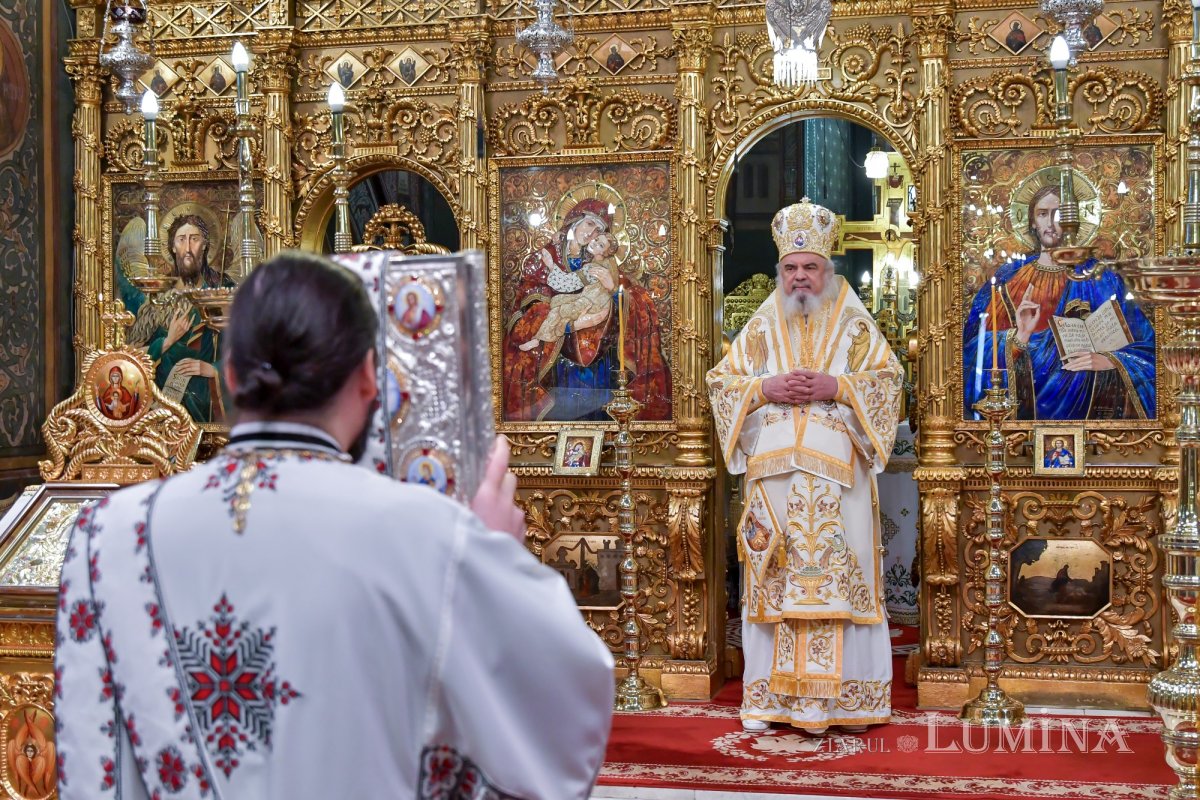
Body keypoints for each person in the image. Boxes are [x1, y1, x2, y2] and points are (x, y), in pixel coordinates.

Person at [55, 251, 615, 799]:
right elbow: (566, 710)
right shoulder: (425, 537)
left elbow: (89, 759)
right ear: (370, 378)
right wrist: (493, 555)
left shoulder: (105, 537)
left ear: (228, 376)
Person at [707, 198, 903, 734]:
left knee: (834, 583)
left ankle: (843, 704)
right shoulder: (762, 322)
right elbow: (721, 383)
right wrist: (763, 387)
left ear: (826, 269)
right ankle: (772, 700)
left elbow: (890, 383)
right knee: (774, 583)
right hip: (774, 481)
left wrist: (836, 386)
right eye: (790, 268)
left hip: (839, 485)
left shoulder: (856, 323)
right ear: (780, 272)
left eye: (809, 267)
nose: (799, 277)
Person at [962, 184, 1154, 419]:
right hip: (1025, 406)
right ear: (1033, 221)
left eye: (1061, 214)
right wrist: (1019, 337)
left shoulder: (1100, 277)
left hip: (1089, 405)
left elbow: (1148, 346)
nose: (1051, 223)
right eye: (1043, 214)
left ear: (1073, 221)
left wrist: (1110, 360)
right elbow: (973, 350)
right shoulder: (1008, 278)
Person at [503, 197, 670, 421]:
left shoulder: (599, 263)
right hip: (560, 357)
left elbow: (633, 297)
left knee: (595, 411)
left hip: (598, 352)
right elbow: (530, 301)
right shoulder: (545, 257)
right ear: (575, 221)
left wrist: (614, 292)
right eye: (590, 224)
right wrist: (572, 325)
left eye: (598, 232)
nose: (592, 234)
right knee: (566, 412)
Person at [126, 213, 235, 424]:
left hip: (208, 399)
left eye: (194, 239)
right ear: (173, 247)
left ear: (204, 245)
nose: (188, 247)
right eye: (181, 239)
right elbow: (131, 359)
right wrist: (168, 341)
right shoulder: (157, 301)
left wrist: (214, 369)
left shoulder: (220, 294)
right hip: (165, 404)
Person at [521, 233, 621, 351]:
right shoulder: (607, 263)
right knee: (557, 301)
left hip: (591, 304)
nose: (594, 242)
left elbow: (567, 284)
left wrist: (551, 265)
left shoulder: (593, 268)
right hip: (592, 301)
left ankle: (538, 339)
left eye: (601, 245)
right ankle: (539, 338)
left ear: (604, 253)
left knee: (559, 310)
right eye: (596, 239)